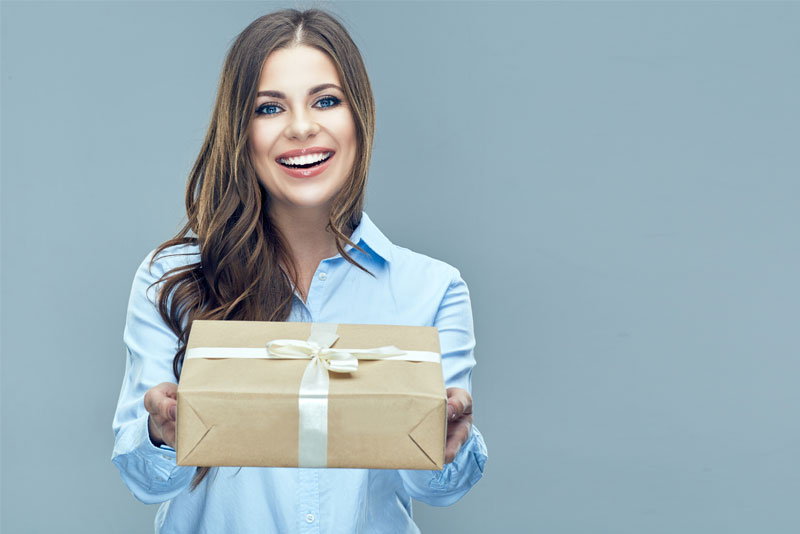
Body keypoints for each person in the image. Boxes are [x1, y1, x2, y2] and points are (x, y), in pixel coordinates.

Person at [111, 8, 487, 533]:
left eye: (326, 101)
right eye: (269, 108)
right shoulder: (170, 279)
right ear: (240, 130)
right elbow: (147, 483)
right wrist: (162, 434)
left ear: (359, 117)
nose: (302, 127)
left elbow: (436, 489)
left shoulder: (432, 289)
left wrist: (447, 445)